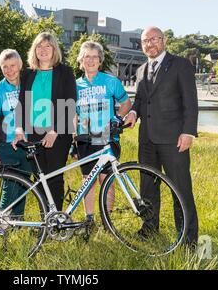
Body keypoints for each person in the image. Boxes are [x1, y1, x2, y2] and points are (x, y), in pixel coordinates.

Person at [124, 26, 199, 249]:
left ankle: (188, 239)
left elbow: (190, 102)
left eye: (154, 39)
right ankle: (149, 229)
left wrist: (188, 132)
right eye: (145, 41)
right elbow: (139, 100)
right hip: (146, 139)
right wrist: (133, 112)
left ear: (163, 40)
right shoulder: (140, 70)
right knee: (147, 187)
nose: (150, 44)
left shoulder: (180, 65)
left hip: (173, 139)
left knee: (180, 189)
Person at [13, 32, 77, 211]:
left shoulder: (65, 72)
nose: (43, 50)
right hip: (33, 132)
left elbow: (71, 103)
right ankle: (46, 221)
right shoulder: (27, 74)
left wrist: (54, 131)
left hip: (58, 133)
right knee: (39, 178)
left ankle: (56, 222)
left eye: (47, 46)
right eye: (39, 46)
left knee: (54, 177)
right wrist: (19, 128)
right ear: (34, 50)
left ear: (54, 49)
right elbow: (21, 104)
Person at [74, 41, 131, 225]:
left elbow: (126, 103)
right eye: (86, 57)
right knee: (87, 180)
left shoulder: (111, 81)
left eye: (94, 57)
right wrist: (72, 139)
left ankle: (107, 220)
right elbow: (72, 114)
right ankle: (89, 219)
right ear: (81, 61)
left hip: (107, 137)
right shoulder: (75, 86)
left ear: (100, 61)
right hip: (84, 139)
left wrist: (118, 118)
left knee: (107, 180)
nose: (90, 60)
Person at [0, 49, 32, 218]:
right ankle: (0, 228)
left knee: (24, 186)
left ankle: (17, 225)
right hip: (7, 146)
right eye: (5, 67)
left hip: (28, 145)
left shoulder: (29, 83)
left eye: (12, 65)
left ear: (20, 65)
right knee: (9, 187)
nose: (9, 70)